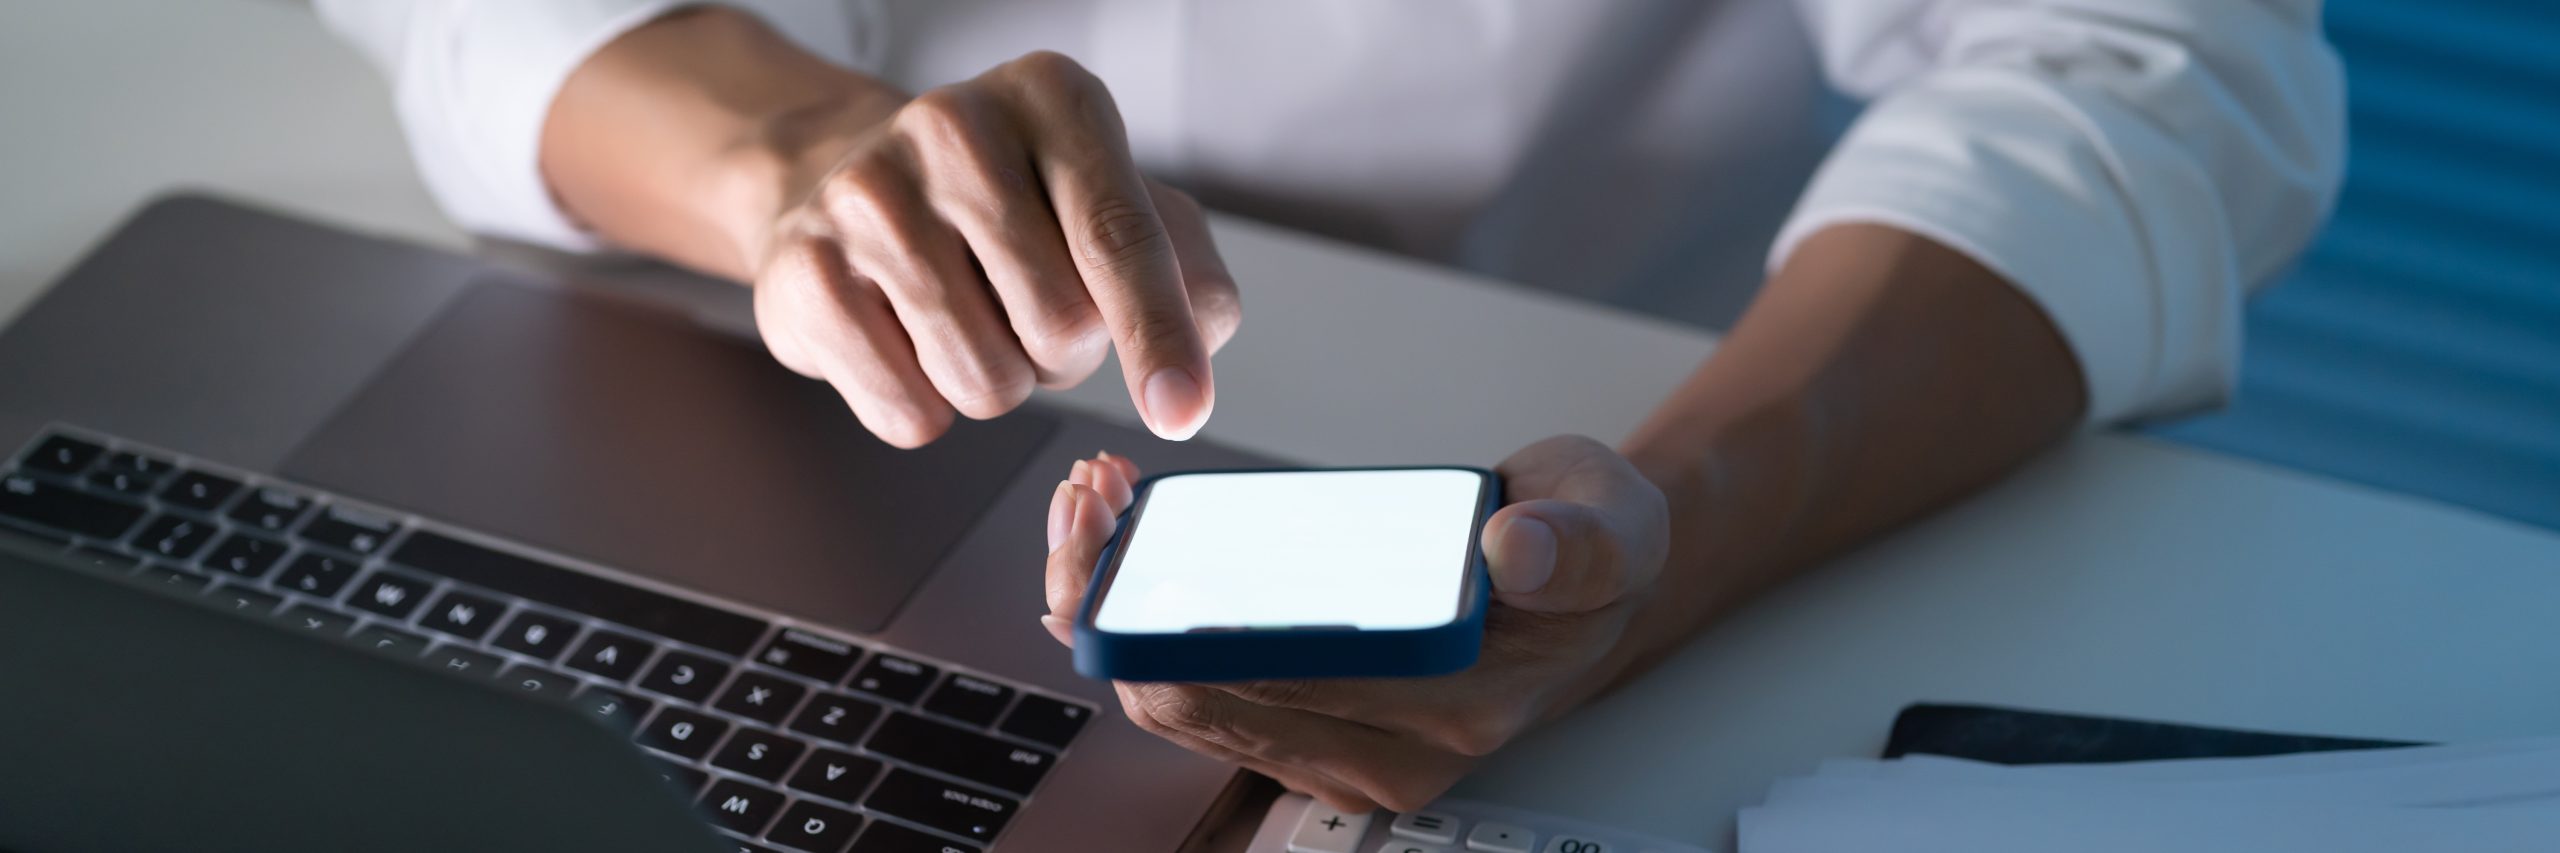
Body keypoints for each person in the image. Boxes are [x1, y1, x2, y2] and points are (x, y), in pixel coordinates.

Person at [321, 0, 2344, 812]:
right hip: (691, 380)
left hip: (1615, 398)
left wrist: (1679, 531)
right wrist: (796, 163)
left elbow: (2141, 70)